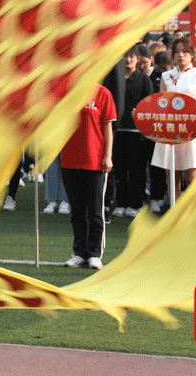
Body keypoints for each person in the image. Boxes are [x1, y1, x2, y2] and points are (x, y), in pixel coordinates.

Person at [60, 83, 117, 269]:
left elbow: (108, 127)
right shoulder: (67, 90)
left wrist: (108, 155)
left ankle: (94, 253)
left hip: (95, 160)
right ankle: (79, 252)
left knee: (95, 211)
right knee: (77, 211)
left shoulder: (103, 93)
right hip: (70, 159)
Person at [150, 37, 196, 200]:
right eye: (177, 52)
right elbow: (160, 103)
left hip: (193, 132)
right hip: (170, 131)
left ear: (192, 54)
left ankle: (195, 212)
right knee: (172, 177)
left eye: (184, 51)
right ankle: (174, 215)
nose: (180, 55)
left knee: (192, 176)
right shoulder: (166, 76)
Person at [112, 44, 154, 218]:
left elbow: (150, 103)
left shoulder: (144, 79)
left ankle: (136, 204)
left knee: (137, 170)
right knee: (119, 170)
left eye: (132, 56)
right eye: (124, 56)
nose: (128, 60)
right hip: (118, 131)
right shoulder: (114, 78)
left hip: (138, 133)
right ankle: (120, 203)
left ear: (137, 59)